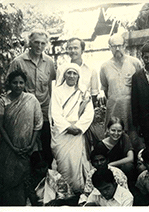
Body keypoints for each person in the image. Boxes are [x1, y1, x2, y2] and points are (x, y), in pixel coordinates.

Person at [8, 29, 56, 168]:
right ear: (30, 43)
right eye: (36, 42)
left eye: (42, 43)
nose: (39, 46)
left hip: (45, 107)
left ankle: (48, 173)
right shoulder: (18, 62)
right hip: (25, 108)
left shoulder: (49, 62)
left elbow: (51, 85)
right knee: (28, 142)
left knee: (47, 141)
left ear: (46, 44)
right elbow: (10, 86)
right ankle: (28, 173)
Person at [0, 70, 43, 205]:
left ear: (25, 84)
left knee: (27, 179)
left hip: (28, 148)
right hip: (8, 149)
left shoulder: (31, 99)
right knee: (9, 180)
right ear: (9, 84)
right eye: (15, 83)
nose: (18, 85)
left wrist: (30, 145)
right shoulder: (2, 101)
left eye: (21, 82)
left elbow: (38, 125)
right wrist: (13, 147)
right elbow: (1, 127)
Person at [49, 63, 94, 194]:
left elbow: (89, 112)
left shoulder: (83, 91)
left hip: (78, 132)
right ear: (64, 75)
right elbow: (55, 113)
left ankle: (78, 192)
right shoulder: (57, 91)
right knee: (63, 165)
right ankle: (63, 193)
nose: (71, 76)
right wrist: (68, 127)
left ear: (78, 76)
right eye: (69, 73)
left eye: (74, 73)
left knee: (77, 164)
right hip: (62, 133)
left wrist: (78, 127)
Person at [99, 33, 144, 153]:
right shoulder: (104, 67)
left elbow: (141, 84)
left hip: (131, 109)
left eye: (120, 45)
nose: (117, 49)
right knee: (115, 139)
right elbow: (106, 89)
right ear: (110, 47)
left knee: (134, 138)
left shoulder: (135, 63)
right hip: (114, 109)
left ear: (125, 46)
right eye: (114, 46)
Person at [94, 117, 135, 183]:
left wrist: (112, 164)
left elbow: (130, 158)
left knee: (129, 166)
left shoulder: (124, 138)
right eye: (113, 130)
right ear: (108, 130)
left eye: (119, 131)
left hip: (122, 168)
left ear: (123, 131)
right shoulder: (101, 145)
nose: (116, 133)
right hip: (108, 171)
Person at [63, 37, 99, 106]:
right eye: (70, 48)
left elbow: (94, 95)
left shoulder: (91, 70)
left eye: (76, 48)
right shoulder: (62, 69)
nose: (73, 51)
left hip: (86, 109)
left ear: (82, 50)